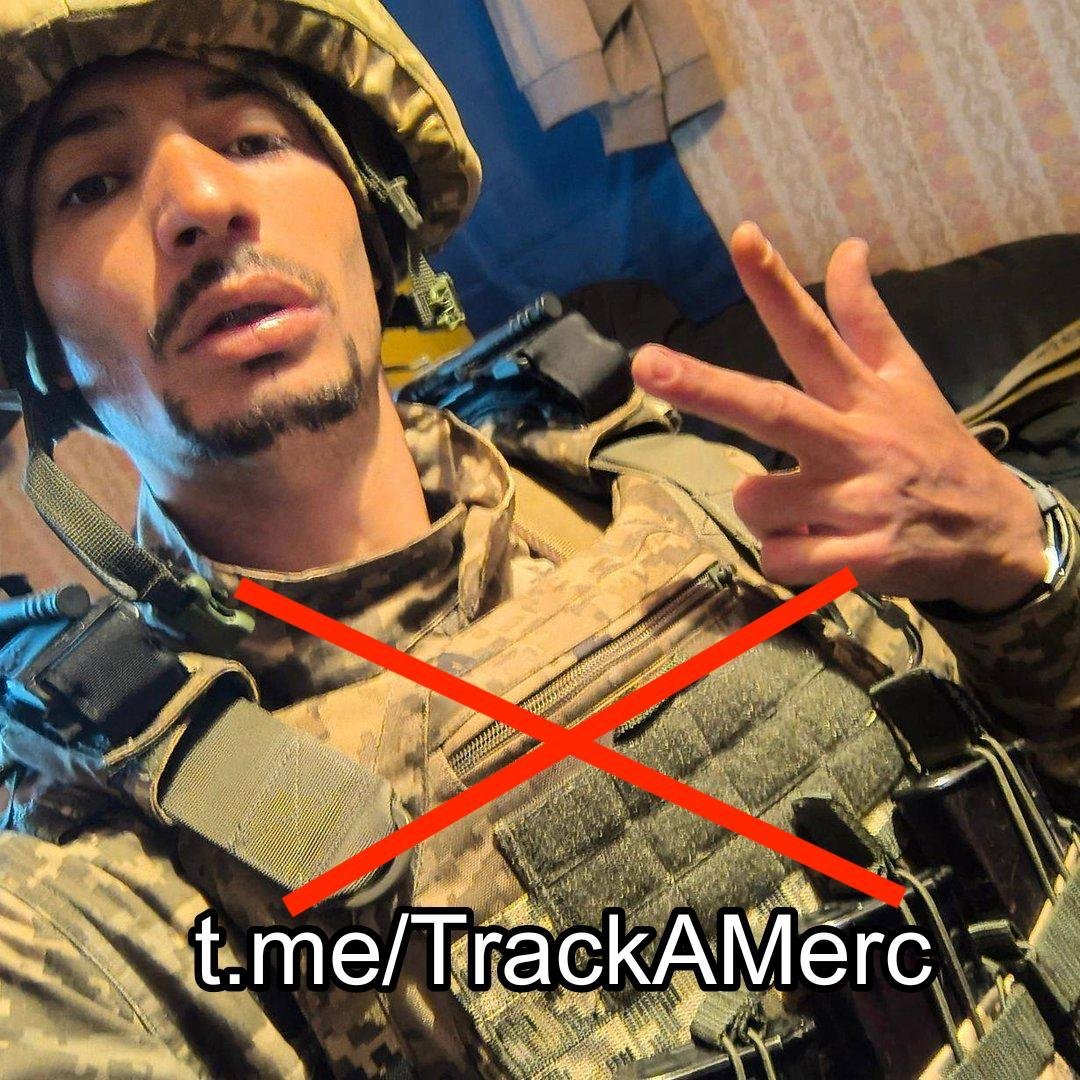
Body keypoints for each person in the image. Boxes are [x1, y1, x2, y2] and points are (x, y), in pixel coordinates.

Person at [0, 2, 1075, 1077]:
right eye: (92, 185)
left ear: (372, 217)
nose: (202, 202)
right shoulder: (111, 862)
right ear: (35, 346)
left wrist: (1023, 565)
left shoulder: (661, 472)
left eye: (252, 140)